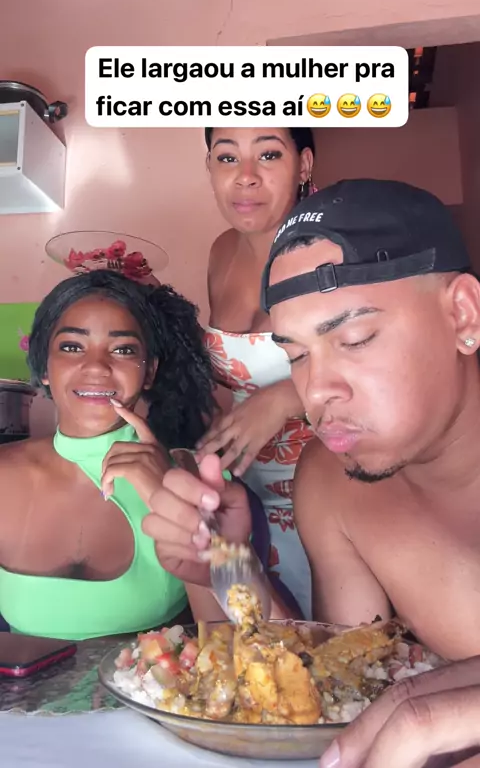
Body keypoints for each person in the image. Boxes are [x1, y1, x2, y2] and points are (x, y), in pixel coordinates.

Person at [134, 178, 480, 766]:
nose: (316, 391)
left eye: (355, 339)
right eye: (294, 356)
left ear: (462, 314)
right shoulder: (331, 480)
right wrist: (226, 563)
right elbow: (343, 683)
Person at [0, 269, 218, 641]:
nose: (97, 366)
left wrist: (170, 501)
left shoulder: (199, 477)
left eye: (123, 349)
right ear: (44, 366)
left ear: (149, 372)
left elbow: (239, 642)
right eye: (72, 347)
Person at [196, 126, 317, 618]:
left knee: (339, 638)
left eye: (268, 154)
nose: (245, 176)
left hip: (331, 489)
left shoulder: (335, 248)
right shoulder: (221, 251)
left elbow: (389, 368)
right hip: (244, 496)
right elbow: (231, 373)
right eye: (227, 158)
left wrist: (286, 397)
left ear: (303, 165)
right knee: (257, 641)